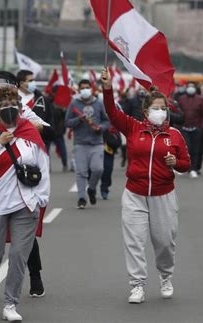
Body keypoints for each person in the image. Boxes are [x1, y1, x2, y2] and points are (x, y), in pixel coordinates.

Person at [101, 68, 190, 304]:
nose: (159, 112)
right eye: (155, 108)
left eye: (163, 108)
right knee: (134, 241)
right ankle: (137, 285)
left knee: (164, 241)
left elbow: (186, 164)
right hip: (135, 194)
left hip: (163, 195)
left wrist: (176, 162)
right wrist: (107, 88)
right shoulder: (133, 128)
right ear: (145, 111)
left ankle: (165, 276)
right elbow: (111, 112)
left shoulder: (174, 135)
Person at [0, 87, 50, 321]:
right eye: (4, 105)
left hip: (25, 206)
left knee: (18, 257)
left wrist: (39, 200)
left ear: (21, 108)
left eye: (14, 103)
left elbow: (42, 168)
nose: (10, 108)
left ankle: (11, 304)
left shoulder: (30, 134)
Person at [65, 79, 109, 208]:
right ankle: (82, 198)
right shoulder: (74, 104)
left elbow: (107, 122)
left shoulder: (99, 103)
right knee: (81, 172)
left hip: (97, 143)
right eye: (82, 88)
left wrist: (100, 128)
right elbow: (67, 122)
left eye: (87, 88)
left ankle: (92, 188)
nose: (85, 90)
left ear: (91, 89)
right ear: (78, 90)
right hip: (80, 143)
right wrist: (79, 119)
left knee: (98, 169)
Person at [16, 69, 55, 148]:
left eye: (33, 80)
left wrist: (47, 140)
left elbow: (50, 120)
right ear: (21, 83)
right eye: (30, 81)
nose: (33, 83)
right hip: (18, 142)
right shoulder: (13, 99)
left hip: (39, 143)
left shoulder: (43, 99)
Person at [178, 82, 203, 178]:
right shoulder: (181, 99)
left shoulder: (200, 99)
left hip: (196, 128)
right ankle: (184, 167)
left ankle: (193, 169)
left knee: (195, 149)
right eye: (189, 86)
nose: (190, 88)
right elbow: (177, 112)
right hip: (184, 128)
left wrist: (201, 126)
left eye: (192, 87)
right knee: (186, 148)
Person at [100, 125, 122, 200]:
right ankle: (92, 186)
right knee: (93, 170)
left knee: (107, 170)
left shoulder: (111, 122)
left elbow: (118, 142)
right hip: (93, 145)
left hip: (108, 150)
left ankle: (104, 189)